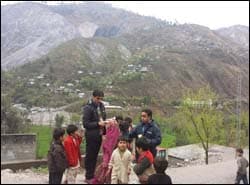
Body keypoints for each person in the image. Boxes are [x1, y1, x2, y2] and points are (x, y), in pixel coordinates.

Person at [83, 90, 107, 183]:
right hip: (91, 135)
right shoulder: (88, 108)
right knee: (90, 156)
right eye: (98, 98)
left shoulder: (101, 106)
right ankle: (88, 176)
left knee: (95, 155)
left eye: (101, 99)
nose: (99, 100)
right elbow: (86, 124)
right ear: (93, 97)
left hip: (99, 134)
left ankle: (92, 175)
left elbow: (103, 118)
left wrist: (105, 124)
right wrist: (98, 124)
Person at [93, 117, 120, 184]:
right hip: (110, 156)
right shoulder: (113, 132)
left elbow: (108, 147)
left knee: (106, 171)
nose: (107, 126)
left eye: (108, 125)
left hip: (110, 156)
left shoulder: (112, 134)